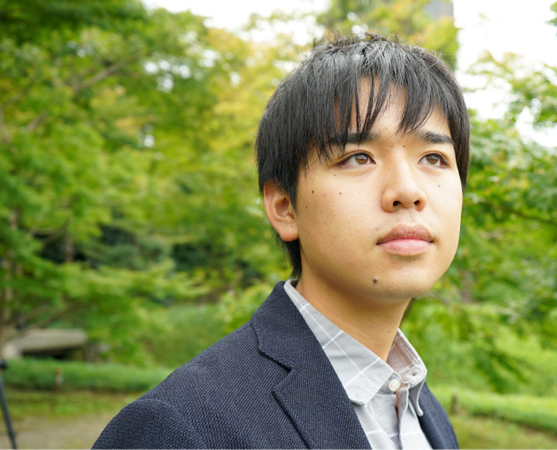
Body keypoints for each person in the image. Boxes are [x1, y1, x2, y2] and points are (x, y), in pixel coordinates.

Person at [93, 33, 469, 449]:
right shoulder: (181, 427)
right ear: (285, 206)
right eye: (358, 157)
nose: (408, 190)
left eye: (434, 158)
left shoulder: (419, 406)